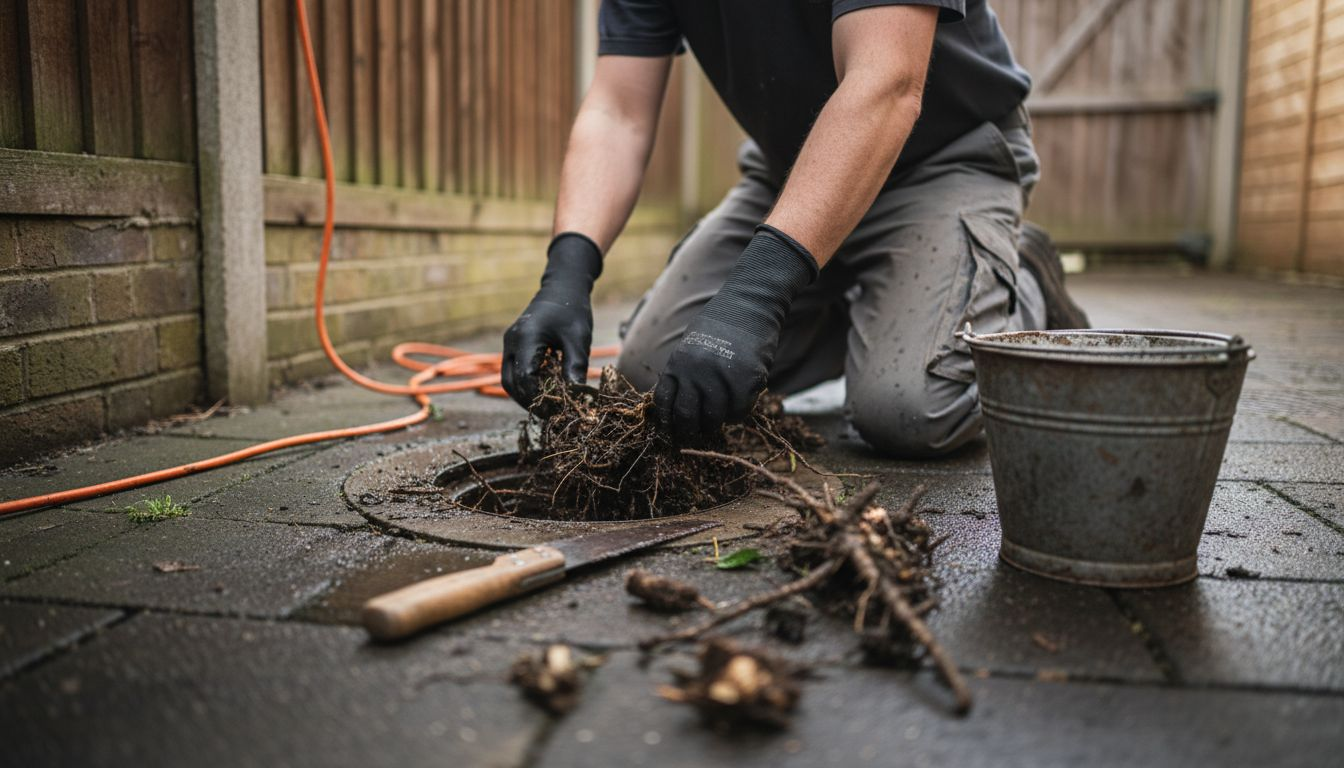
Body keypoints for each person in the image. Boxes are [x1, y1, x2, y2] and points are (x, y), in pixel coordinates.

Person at [500, 0, 1088, 458]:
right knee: (651, 379)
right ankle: (886, 309)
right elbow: (617, 112)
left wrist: (755, 296)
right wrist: (567, 274)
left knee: (912, 410)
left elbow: (885, 84)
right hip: (796, 175)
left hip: (943, 161)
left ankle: (1021, 285)